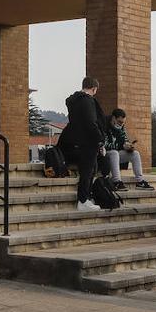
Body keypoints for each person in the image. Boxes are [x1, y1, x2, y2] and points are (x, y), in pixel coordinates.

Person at [61, 77, 105, 212]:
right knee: (88, 171)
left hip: (76, 140)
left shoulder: (73, 101)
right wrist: (100, 139)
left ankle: (86, 197)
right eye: (95, 91)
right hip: (88, 141)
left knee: (91, 168)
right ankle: (83, 200)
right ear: (94, 88)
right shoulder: (87, 101)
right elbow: (91, 122)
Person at [102, 109, 153, 191]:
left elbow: (125, 140)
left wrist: (128, 146)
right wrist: (121, 146)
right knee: (114, 153)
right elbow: (105, 144)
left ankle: (140, 181)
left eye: (123, 122)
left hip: (117, 154)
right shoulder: (104, 126)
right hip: (105, 155)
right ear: (113, 118)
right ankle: (116, 181)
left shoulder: (122, 128)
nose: (121, 124)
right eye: (119, 121)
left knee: (135, 154)